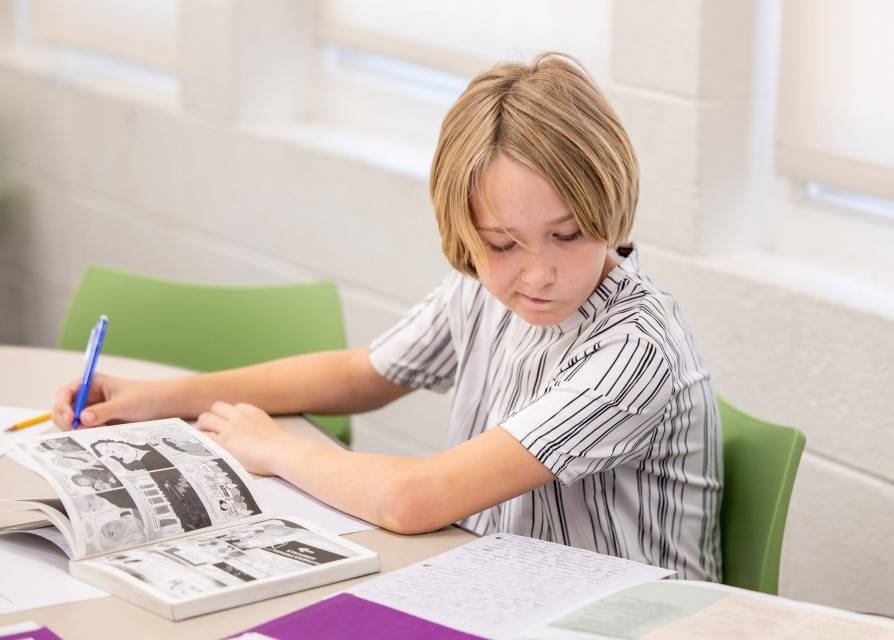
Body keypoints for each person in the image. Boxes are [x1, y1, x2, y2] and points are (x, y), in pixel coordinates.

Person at [53, 52, 722, 580]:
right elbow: (358, 376)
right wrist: (162, 397)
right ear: (467, 232)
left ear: (611, 207)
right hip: (504, 586)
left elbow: (417, 499)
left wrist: (276, 449)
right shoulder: (487, 291)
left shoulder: (634, 350)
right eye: (501, 243)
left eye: (569, 234)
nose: (538, 271)